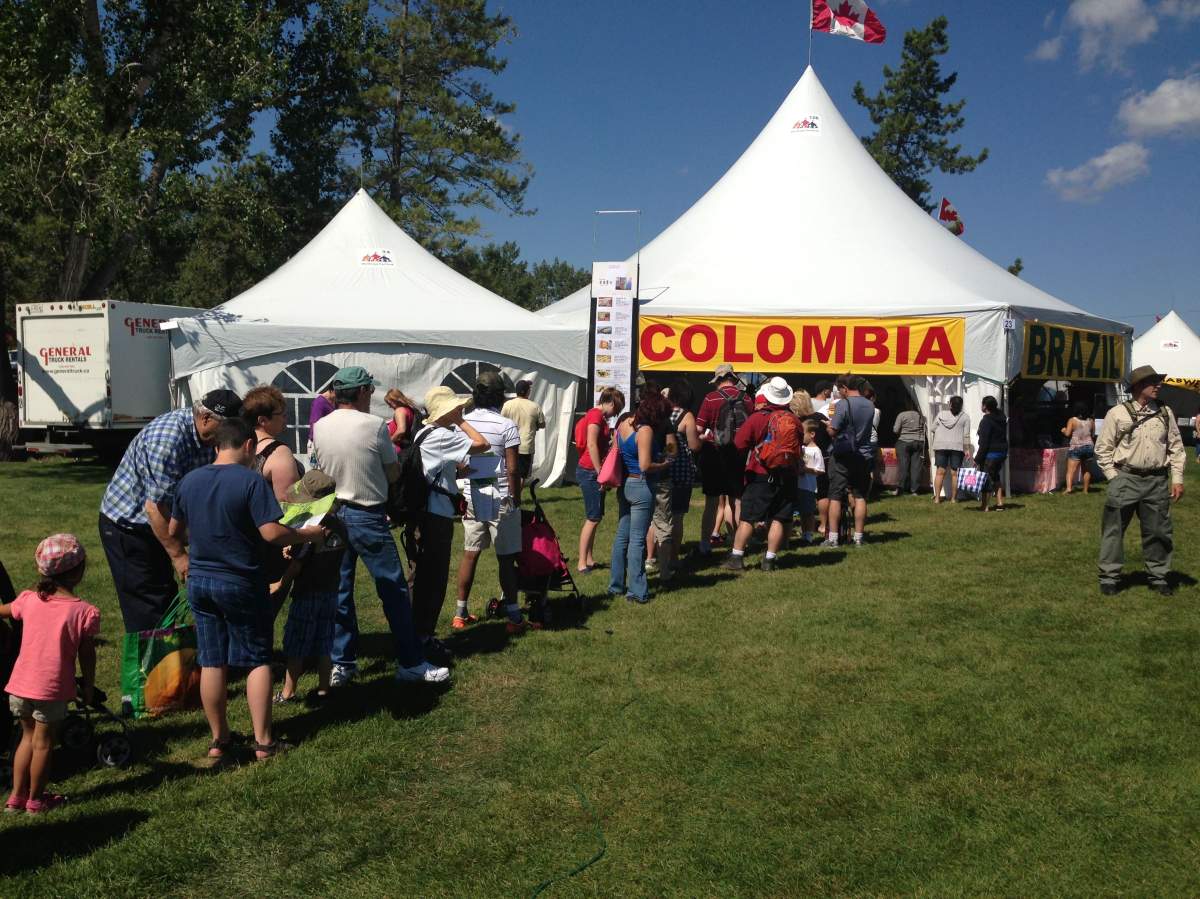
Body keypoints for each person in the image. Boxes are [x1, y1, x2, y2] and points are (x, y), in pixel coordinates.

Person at [170, 417, 327, 760]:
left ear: (216, 446)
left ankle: (219, 740)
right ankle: (264, 742)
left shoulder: (190, 480)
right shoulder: (251, 481)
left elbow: (174, 531)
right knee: (257, 658)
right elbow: (271, 533)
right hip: (240, 580)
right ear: (249, 446)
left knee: (212, 660)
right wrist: (308, 535)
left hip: (200, 581)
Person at [312, 366, 450, 686]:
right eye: (369, 390)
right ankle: (411, 661)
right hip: (367, 513)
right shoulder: (374, 425)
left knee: (340, 591)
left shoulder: (320, 426)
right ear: (361, 391)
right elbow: (392, 472)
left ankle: (342, 662)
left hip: (332, 514)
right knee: (393, 590)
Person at [99, 389, 241, 633]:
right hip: (129, 527)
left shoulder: (210, 437)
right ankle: (147, 656)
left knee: (164, 594)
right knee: (146, 603)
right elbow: (155, 508)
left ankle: (169, 652)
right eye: (225, 429)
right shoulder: (167, 439)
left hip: (162, 522)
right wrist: (179, 556)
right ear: (206, 418)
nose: (228, 437)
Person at [1, 535, 98, 815]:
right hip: (50, 689)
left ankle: (15, 798)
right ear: (78, 572)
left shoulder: (28, 600)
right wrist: (88, 685)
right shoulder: (84, 612)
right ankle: (36, 800)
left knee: (26, 738)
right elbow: (87, 655)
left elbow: (5, 610)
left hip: (19, 685)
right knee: (43, 744)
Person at [1095, 365, 1186, 596]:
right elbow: (1103, 449)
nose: (1158, 385)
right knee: (1114, 530)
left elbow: (1176, 447)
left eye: (1158, 381)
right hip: (1125, 478)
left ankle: (1158, 577)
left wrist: (1177, 479)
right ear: (1138, 386)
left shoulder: (1165, 412)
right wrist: (1114, 478)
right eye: (1153, 382)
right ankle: (1109, 577)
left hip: (1157, 481)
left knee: (1158, 531)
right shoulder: (1117, 413)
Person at [454, 372, 531, 636]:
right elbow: (513, 469)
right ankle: (514, 616)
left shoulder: (463, 423)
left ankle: (460, 613)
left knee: (470, 553)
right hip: (501, 496)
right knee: (506, 559)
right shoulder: (506, 425)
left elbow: (459, 462)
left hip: (473, 494)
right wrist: (516, 498)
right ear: (500, 396)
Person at [411, 386, 490, 641]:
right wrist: (461, 422)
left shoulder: (423, 432)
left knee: (419, 575)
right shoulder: (444, 435)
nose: (460, 411)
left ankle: (413, 632)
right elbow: (483, 444)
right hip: (437, 515)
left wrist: (456, 472)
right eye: (456, 408)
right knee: (435, 579)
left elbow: (432, 467)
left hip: (420, 511)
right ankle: (424, 636)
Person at [274, 471, 348, 704]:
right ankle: (324, 689)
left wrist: (280, 583)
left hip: (307, 594)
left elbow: (298, 564)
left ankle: (288, 692)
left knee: (296, 645)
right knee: (325, 644)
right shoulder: (340, 525)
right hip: (330, 592)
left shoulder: (312, 529)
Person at [722, 377, 800, 571]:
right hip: (787, 475)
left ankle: (736, 557)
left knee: (748, 518)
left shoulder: (757, 418)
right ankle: (769, 560)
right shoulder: (794, 420)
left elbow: (738, 444)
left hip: (759, 474)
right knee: (779, 518)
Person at [609, 394, 673, 603]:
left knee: (622, 537)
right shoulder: (645, 430)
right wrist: (664, 464)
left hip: (626, 484)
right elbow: (645, 465)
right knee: (637, 540)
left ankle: (616, 585)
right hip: (641, 484)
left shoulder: (624, 423)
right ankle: (637, 591)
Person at [696, 364, 753, 556]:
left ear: (719, 380)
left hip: (714, 454)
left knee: (712, 502)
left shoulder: (710, 398)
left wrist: (703, 438)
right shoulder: (746, 398)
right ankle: (739, 543)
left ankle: (705, 544)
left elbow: (698, 429)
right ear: (732, 378)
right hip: (738, 455)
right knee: (736, 500)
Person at [574, 387, 625, 574]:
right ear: (610, 402)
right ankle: (582, 562)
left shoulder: (597, 416)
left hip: (591, 471)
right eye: (616, 409)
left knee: (596, 516)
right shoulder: (596, 416)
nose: (616, 413)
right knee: (592, 517)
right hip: (590, 472)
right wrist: (599, 473)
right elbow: (592, 444)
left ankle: (589, 558)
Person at [825, 376, 875, 547]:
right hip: (864, 454)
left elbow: (833, 431)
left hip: (843, 455)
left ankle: (833, 538)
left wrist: (828, 426)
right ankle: (859, 537)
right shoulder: (869, 405)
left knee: (836, 495)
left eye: (839, 389)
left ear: (845, 388)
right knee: (860, 496)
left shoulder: (842, 404)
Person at [660, 380, 701, 569]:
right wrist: (702, 440)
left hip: (662, 468)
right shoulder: (687, 416)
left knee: (658, 517)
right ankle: (673, 558)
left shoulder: (661, 412)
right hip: (682, 471)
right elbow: (693, 445)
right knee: (677, 516)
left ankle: (652, 556)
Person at [243, 385, 303, 502]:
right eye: (282, 414)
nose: (285, 419)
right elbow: (288, 504)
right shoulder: (279, 452)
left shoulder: (241, 447)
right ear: (263, 420)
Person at [501, 379, 546, 481]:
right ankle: (518, 492)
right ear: (527, 391)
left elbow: (501, 422)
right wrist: (534, 425)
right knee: (522, 475)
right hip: (526, 445)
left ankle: (511, 491)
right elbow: (542, 424)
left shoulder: (507, 405)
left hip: (509, 444)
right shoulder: (535, 406)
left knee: (509, 473)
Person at [931, 396, 971, 504]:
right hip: (957, 447)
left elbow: (932, 428)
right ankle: (953, 499)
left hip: (941, 445)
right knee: (955, 473)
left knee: (940, 472)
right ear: (961, 405)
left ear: (950, 404)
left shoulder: (941, 414)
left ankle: (937, 498)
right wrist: (967, 449)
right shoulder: (965, 417)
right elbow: (966, 435)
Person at [975, 396, 1009, 512]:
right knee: (995, 476)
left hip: (991, 454)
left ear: (985, 406)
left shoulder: (986, 421)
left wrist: (977, 459)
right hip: (1002, 452)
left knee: (986, 479)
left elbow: (984, 443)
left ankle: (985, 505)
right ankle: (1000, 503)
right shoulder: (1002, 418)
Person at [797, 420, 824, 544]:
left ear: (812, 434)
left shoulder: (816, 451)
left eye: (803, 433)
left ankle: (809, 535)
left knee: (808, 512)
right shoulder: (801, 448)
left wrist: (806, 470)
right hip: (799, 485)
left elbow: (820, 470)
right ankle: (804, 534)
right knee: (802, 512)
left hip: (809, 487)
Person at [1062, 402, 1096, 494]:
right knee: (1086, 470)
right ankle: (1085, 490)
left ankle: (1069, 489)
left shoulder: (1072, 420)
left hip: (1076, 447)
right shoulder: (1091, 421)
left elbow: (1068, 434)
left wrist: (1064, 430)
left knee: (1071, 471)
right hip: (1089, 447)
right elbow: (1093, 435)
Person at [893, 405, 925, 496]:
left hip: (904, 441)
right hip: (919, 441)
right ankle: (914, 490)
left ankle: (901, 488)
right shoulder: (922, 416)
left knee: (903, 466)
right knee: (916, 467)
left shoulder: (902, 415)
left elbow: (895, 430)